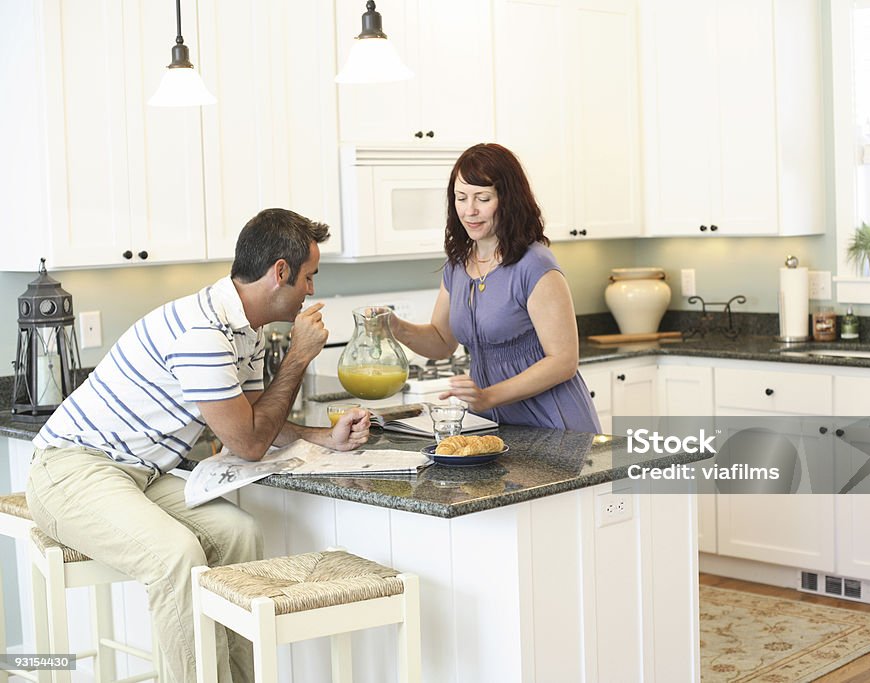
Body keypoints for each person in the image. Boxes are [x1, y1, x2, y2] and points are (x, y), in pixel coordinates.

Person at [26, 208, 371, 683]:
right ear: (280, 272)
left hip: (137, 475)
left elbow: (252, 418)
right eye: (310, 277)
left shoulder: (243, 330)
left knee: (239, 534)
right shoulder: (203, 334)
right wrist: (297, 356)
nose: (312, 290)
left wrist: (321, 438)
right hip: (70, 472)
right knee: (175, 556)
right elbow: (249, 444)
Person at [389, 143, 600, 433]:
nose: (469, 210)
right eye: (461, 198)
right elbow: (441, 341)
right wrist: (394, 326)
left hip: (554, 423)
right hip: (496, 426)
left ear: (508, 199)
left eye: (483, 198)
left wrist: (488, 396)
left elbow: (563, 360)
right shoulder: (457, 265)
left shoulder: (535, 264)